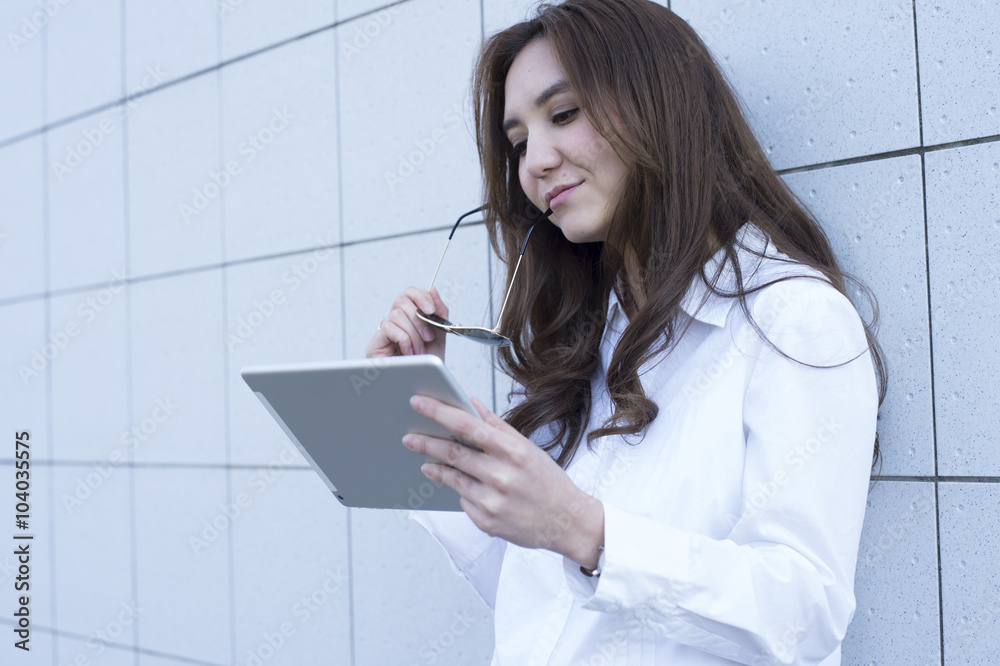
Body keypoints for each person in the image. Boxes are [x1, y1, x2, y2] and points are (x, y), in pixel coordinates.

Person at [365, 0, 886, 663]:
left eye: (563, 114)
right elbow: (546, 610)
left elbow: (805, 615)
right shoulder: (590, 341)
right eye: (519, 142)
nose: (535, 163)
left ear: (658, 104)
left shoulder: (793, 321)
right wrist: (419, 412)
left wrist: (585, 531)